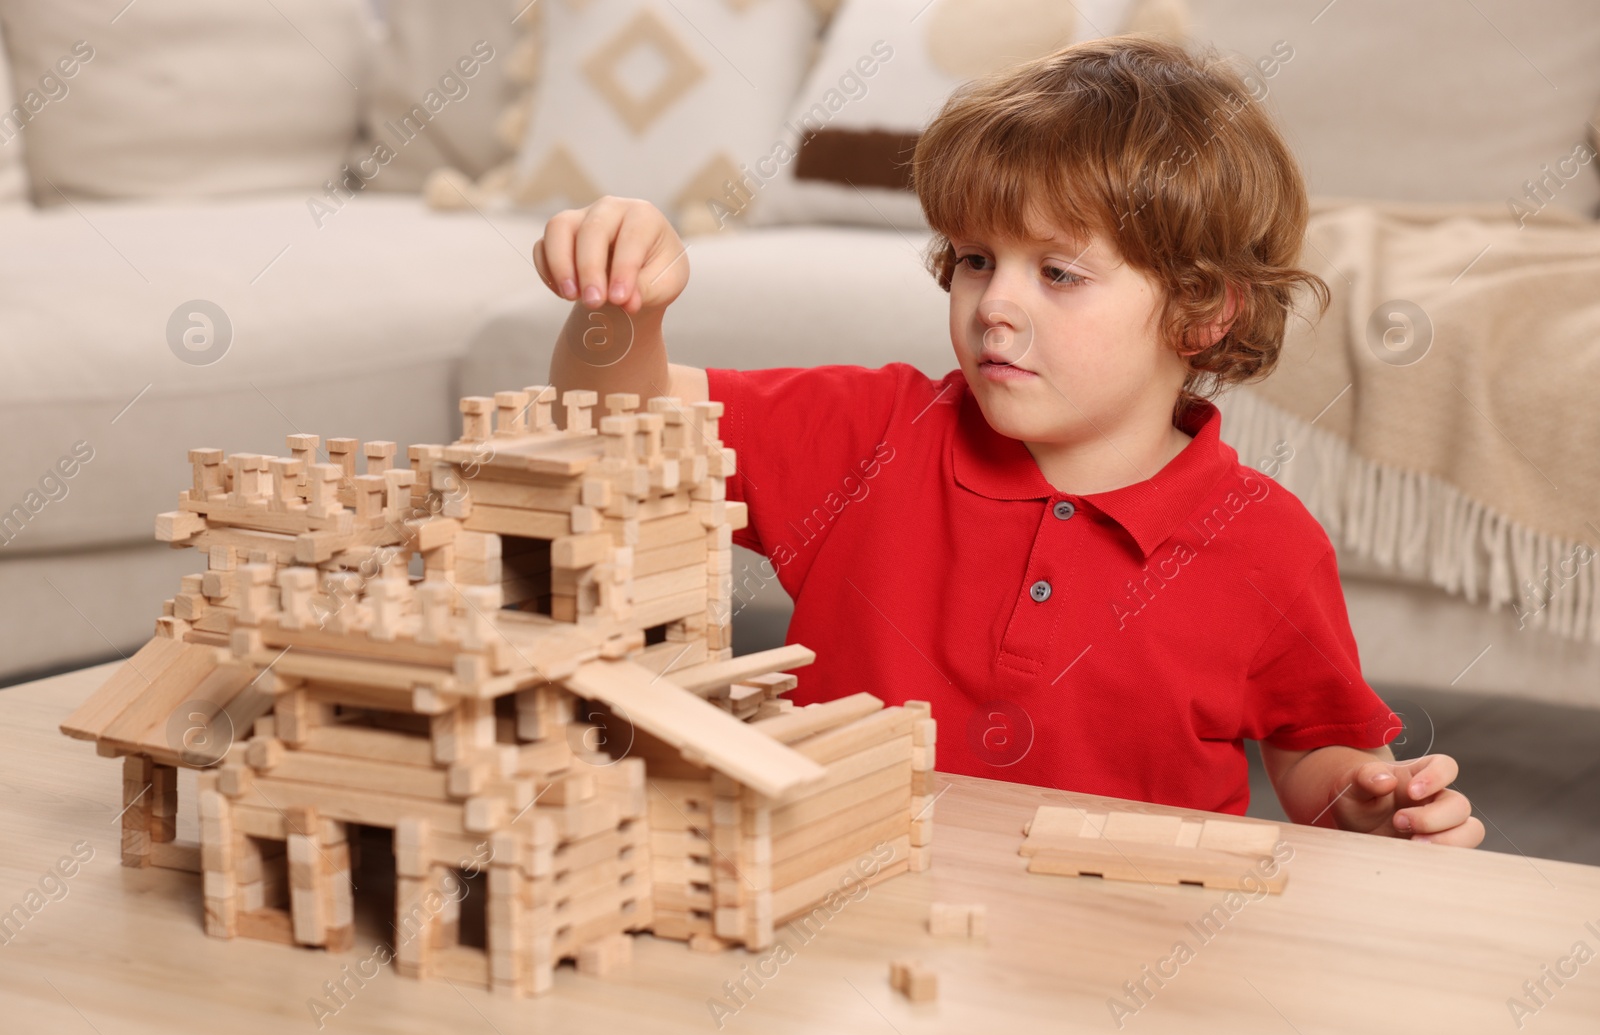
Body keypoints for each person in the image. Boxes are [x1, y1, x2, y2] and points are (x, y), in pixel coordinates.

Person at [532, 35, 1484, 846]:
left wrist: (1369, 806)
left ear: (1200, 312)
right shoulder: (864, 438)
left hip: (1125, 969)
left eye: (1059, 273)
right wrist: (622, 307)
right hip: (850, 930)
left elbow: (1314, 749)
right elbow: (622, 420)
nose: (996, 305)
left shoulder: (1264, 543)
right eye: (977, 260)